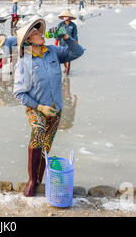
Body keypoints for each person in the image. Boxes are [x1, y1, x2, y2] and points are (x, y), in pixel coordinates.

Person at [13, 19, 84, 197]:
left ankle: (39, 179)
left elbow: (78, 52)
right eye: (35, 33)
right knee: (38, 133)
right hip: (36, 108)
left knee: (46, 144)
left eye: (39, 32)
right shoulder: (24, 63)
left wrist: (66, 37)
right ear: (28, 40)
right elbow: (19, 93)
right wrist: (40, 107)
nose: (39, 34)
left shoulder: (53, 52)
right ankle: (31, 179)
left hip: (56, 109)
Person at [56, 10, 79, 75]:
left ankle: (67, 70)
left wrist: (76, 43)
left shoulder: (73, 25)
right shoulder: (60, 24)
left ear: (70, 17)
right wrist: (56, 43)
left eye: (67, 16)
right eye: (64, 16)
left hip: (70, 43)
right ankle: (66, 68)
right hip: (62, 43)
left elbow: (75, 35)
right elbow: (57, 34)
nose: (66, 17)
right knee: (64, 57)